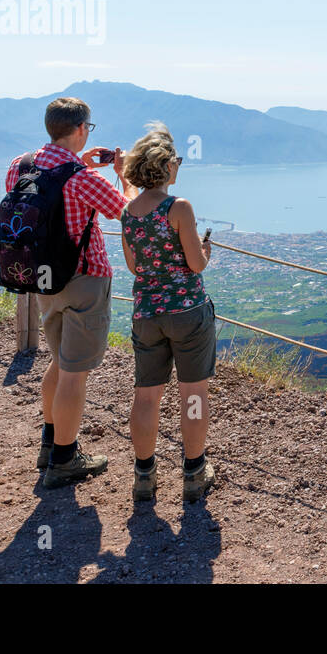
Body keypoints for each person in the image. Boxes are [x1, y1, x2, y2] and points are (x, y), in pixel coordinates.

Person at [5, 96, 136, 488]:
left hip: (42, 277)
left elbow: (47, 192)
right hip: (84, 278)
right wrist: (122, 173)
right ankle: (65, 458)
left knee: (61, 363)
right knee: (75, 372)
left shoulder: (21, 165)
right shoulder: (82, 179)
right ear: (81, 129)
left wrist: (83, 161)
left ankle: (50, 443)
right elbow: (129, 211)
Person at [120, 123, 216, 503]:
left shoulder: (129, 212)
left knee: (146, 396)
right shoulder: (178, 207)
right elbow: (195, 264)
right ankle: (193, 471)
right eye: (176, 160)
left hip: (147, 314)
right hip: (188, 314)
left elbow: (134, 267)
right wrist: (206, 252)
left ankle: (144, 475)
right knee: (193, 394)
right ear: (166, 167)